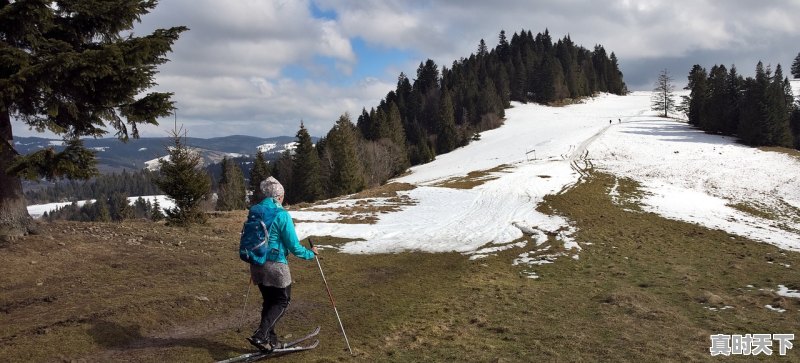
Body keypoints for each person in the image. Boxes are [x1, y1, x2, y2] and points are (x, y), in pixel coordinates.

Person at [246, 176, 318, 352]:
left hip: (256, 263)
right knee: (282, 301)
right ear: (278, 196)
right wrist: (311, 254)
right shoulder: (282, 214)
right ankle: (261, 335)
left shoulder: (255, 211)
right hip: (275, 265)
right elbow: (293, 246)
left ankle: (270, 340)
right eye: (283, 195)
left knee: (269, 302)